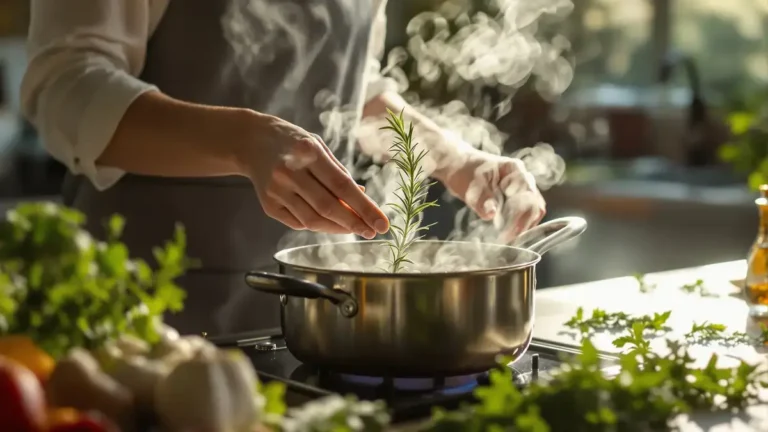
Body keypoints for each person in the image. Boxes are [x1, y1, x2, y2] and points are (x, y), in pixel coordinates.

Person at [21, 0, 546, 337]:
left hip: (311, 319)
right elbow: (65, 86)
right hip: (143, 313)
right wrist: (244, 140)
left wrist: (455, 158)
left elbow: (348, 91)